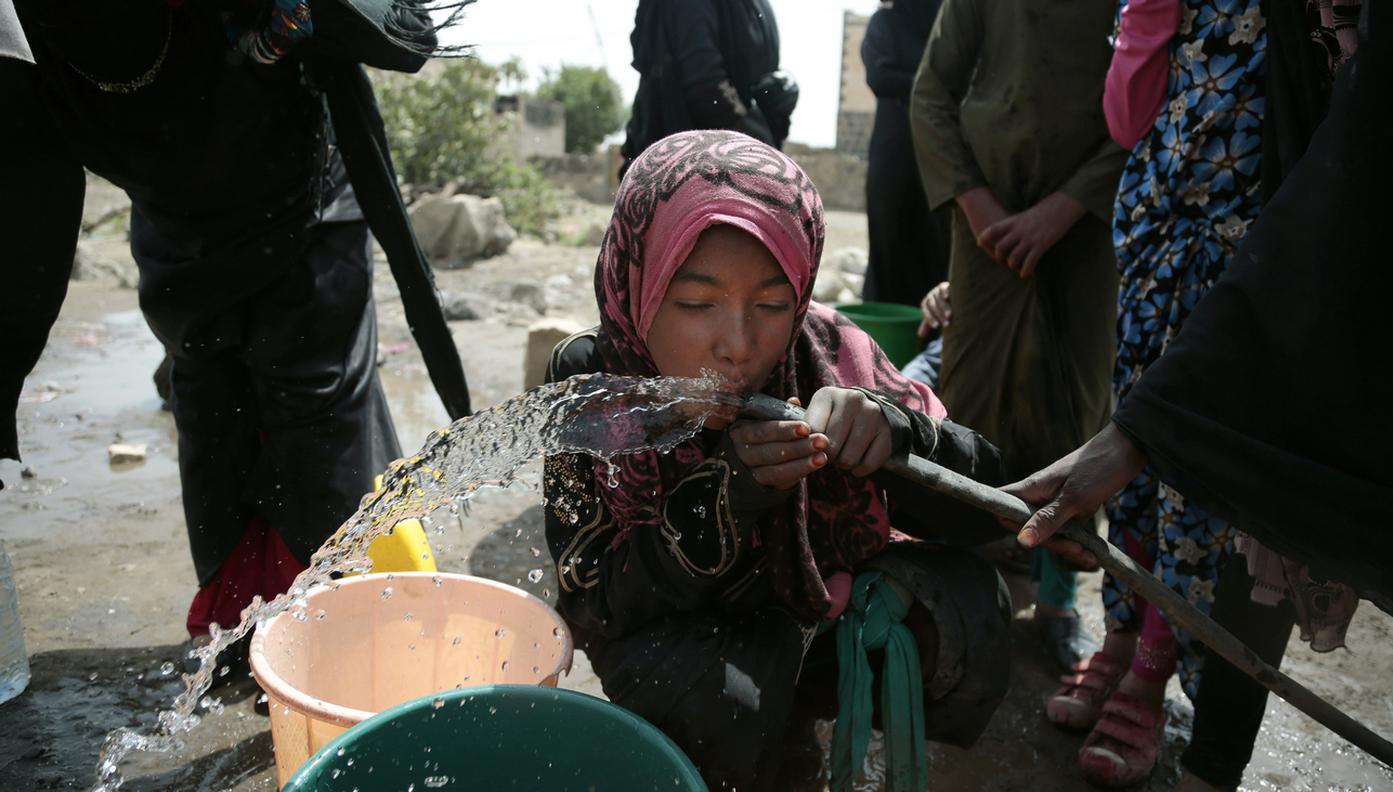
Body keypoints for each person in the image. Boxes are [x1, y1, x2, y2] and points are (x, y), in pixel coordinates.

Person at [0, 0, 469, 677]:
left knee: (319, 433)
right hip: (178, 235)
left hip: (303, 200)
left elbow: (405, 37)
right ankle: (241, 636)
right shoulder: (22, 42)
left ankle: (346, 648)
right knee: (212, 428)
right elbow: (25, 220)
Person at [1006, 2, 1393, 788]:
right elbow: (1125, 121)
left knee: (1205, 488)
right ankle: (1121, 640)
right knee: (1133, 460)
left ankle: (1153, 673)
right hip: (1157, 229)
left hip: (1258, 245)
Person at [543, 130, 1015, 792]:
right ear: (637, 285)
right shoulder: (590, 380)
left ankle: (794, 716)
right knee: (707, 699)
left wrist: (897, 438)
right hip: (679, 634)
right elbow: (590, 600)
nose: (736, 346)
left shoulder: (829, 349)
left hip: (810, 617)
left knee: (968, 608)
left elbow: (998, 511)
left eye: (771, 305)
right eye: (696, 304)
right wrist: (723, 497)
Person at [909, 0, 1127, 674]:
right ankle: (964, 575)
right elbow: (931, 94)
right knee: (969, 398)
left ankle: (1059, 600)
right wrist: (977, 205)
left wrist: (1065, 210)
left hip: (1088, 225)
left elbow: (1143, 108)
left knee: (1078, 404)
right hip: (987, 228)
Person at [618, 0, 798, 177]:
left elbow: (757, 69)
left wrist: (779, 92)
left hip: (740, 155)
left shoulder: (757, 5)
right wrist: (761, 147)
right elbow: (705, 86)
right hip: (691, 166)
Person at [860, 0, 950, 306]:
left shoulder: (949, 24)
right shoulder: (886, 23)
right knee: (891, 243)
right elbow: (880, 76)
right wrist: (932, 90)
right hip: (896, 156)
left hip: (941, 155)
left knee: (939, 250)